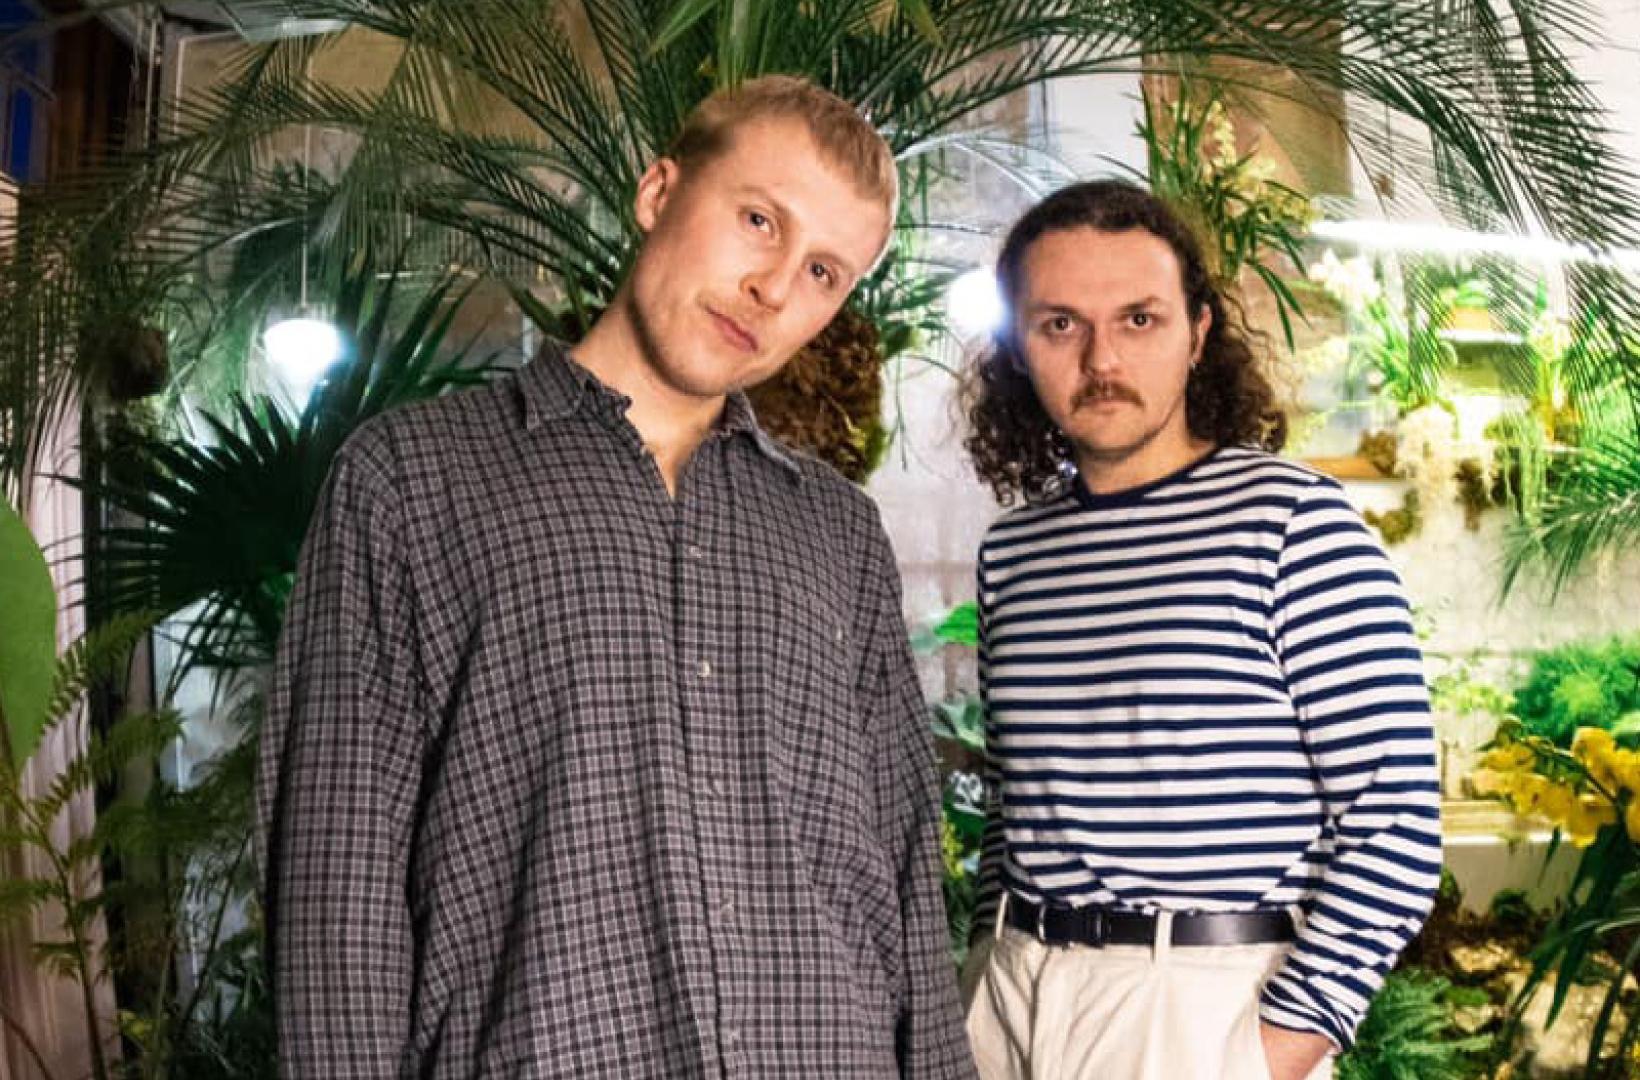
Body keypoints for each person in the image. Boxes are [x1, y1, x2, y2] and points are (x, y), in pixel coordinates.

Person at [255, 75, 977, 1080]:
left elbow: (901, 863)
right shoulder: (411, 479)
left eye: (822, 272)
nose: (774, 287)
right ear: (657, 192)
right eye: (759, 221)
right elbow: (338, 879)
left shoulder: (838, 532)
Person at [957, 179, 1441, 1080]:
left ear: (1198, 333)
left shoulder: (1294, 524)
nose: (1101, 357)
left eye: (1138, 319)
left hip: (1199, 1007)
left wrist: (1270, 1052)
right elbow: (1015, 811)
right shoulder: (1013, 553)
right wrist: (983, 973)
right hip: (1010, 999)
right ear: (1018, 347)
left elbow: (1395, 823)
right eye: (1060, 324)